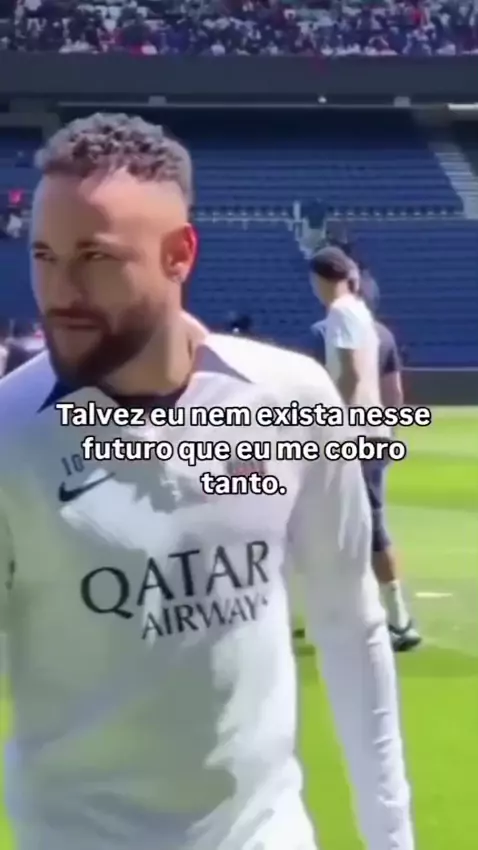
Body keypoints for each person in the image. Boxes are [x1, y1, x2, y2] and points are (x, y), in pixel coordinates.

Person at [0, 114, 414, 850]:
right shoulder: (10, 434)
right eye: (44, 255)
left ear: (179, 255)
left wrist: (392, 836)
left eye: (94, 257)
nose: (59, 290)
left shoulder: (290, 397)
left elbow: (349, 621)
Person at [309, 247, 420, 652]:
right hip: (375, 434)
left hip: (351, 437)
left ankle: (399, 620)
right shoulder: (373, 324)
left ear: (318, 279)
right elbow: (394, 393)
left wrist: (331, 422)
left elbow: (351, 376)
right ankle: (363, 610)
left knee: (363, 526)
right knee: (352, 523)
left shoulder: (338, 314)